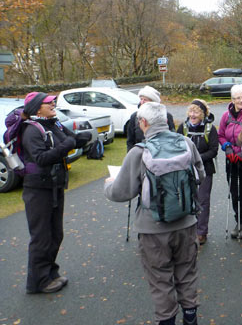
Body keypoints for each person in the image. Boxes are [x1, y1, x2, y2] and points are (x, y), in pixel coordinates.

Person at [104, 102, 205, 325]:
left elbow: (122, 192)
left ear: (144, 123)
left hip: (153, 230)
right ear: (167, 120)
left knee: (161, 279)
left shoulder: (139, 152)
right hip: (187, 223)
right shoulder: (186, 143)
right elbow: (200, 174)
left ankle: (167, 320)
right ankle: (190, 317)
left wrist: (108, 184)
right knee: (187, 273)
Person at [21, 92, 91, 294]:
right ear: (37, 108)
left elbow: (68, 140)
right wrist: (68, 144)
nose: (53, 104)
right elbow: (41, 158)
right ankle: (38, 282)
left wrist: (81, 140)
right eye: (48, 102)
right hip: (37, 189)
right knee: (41, 237)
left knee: (55, 234)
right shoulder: (31, 131)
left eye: (52, 101)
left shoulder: (54, 123)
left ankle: (50, 272)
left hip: (54, 185)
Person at [218, 84, 242, 239]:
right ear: (232, 99)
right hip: (231, 160)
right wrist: (227, 148)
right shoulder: (225, 116)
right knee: (234, 192)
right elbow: (221, 135)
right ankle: (239, 221)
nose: (241, 100)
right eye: (237, 98)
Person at [176, 99, 218, 245]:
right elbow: (176, 146)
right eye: (191, 111)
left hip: (205, 169)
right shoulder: (183, 127)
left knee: (203, 201)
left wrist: (197, 159)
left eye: (196, 112)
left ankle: (201, 232)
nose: (193, 115)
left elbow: (214, 150)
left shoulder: (210, 129)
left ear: (202, 114)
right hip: (186, 170)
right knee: (186, 199)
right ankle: (187, 230)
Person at [126, 85, 176, 151]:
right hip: (140, 155)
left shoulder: (166, 116)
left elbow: (172, 136)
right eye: (141, 99)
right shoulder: (135, 117)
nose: (142, 102)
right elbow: (130, 141)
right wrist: (132, 156)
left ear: (153, 102)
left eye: (145, 99)